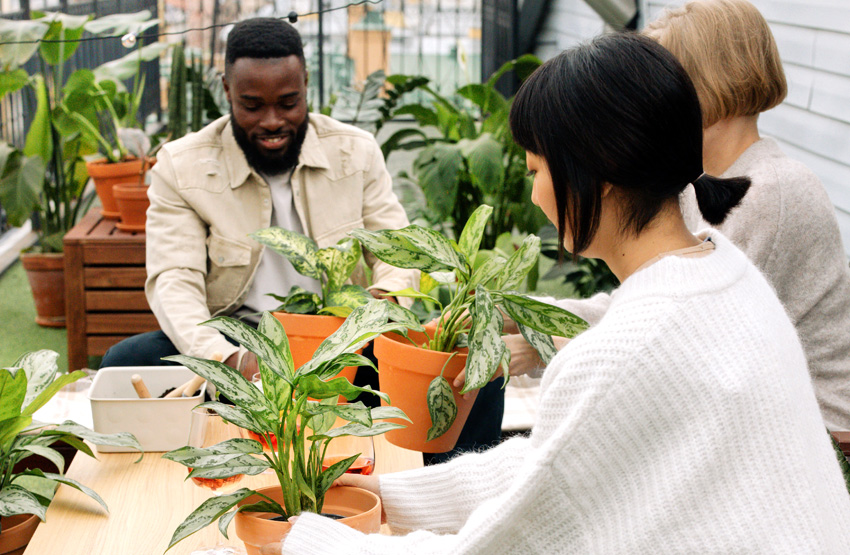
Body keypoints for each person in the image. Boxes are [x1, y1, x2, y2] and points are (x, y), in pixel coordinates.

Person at [260, 33, 850, 554]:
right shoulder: (724, 272)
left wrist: (305, 538)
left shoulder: (626, 352)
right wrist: (390, 495)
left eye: (538, 169)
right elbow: (561, 464)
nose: (536, 194)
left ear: (602, 171)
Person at [503, 0, 850, 432]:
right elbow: (635, 310)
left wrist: (542, 344)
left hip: (821, 440)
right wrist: (521, 312)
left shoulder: (771, 193)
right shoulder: (701, 186)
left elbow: (684, 345)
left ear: (694, 86)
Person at [100, 17, 416, 378]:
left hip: (342, 337)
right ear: (227, 91)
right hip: (239, 338)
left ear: (305, 86)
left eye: (288, 103)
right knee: (126, 362)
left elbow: (397, 252)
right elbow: (175, 280)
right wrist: (227, 360)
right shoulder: (182, 167)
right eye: (252, 106)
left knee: (466, 368)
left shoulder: (355, 152)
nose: (271, 121)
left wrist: (384, 304)